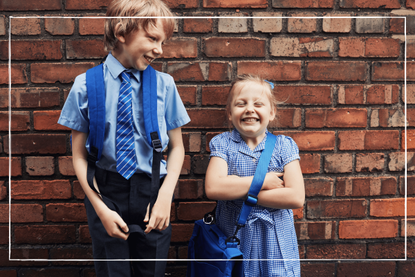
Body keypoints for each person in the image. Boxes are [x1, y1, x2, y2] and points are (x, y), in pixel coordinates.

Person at [57, 0, 190, 276]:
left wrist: (165, 196)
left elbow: (177, 147)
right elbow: (79, 155)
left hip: (153, 192)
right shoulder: (85, 85)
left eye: (163, 41)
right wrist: (100, 207)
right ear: (121, 33)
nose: (159, 49)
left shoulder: (165, 84)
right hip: (105, 191)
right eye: (152, 38)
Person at [205, 75, 304, 277]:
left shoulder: (284, 146)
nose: (249, 109)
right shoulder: (222, 144)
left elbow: (295, 197)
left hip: (276, 241)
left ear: (272, 112)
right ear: (230, 113)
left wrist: (236, 189)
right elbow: (213, 188)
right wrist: (263, 182)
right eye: (241, 104)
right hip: (235, 236)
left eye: (258, 103)